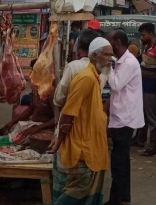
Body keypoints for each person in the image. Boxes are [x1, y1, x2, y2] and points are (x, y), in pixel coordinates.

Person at [48, 37, 112, 205]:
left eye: (111, 55)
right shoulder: (86, 78)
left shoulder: (95, 76)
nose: (109, 59)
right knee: (79, 190)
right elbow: (68, 112)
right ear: (94, 56)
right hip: (82, 147)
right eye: (106, 55)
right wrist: (60, 139)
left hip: (90, 145)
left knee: (84, 191)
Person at [105, 29, 144, 204]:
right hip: (122, 117)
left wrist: (107, 66)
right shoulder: (122, 61)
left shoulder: (128, 62)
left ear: (117, 43)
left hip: (124, 119)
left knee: (118, 162)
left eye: (109, 42)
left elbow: (115, 84)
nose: (108, 45)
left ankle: (116, 200)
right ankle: (123, 197)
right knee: (122, 161)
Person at [3, 60, 57, 141]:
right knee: (12, 132)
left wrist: (38, 128)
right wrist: (13, 121)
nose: (32, 75)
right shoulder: (36, 90)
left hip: (46, 129)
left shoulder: (51, 92)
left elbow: (58, 118)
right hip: (35, 125)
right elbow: (31, 109)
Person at [133, 22, 156, 156]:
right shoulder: (147, 47)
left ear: (151, 34)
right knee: (144, 115)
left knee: (152, 118)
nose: (141, 37)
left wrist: (152, 78)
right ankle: (140, 139)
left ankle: (153, 146)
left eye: (143, 35)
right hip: (144, 86)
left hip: (151, 87)